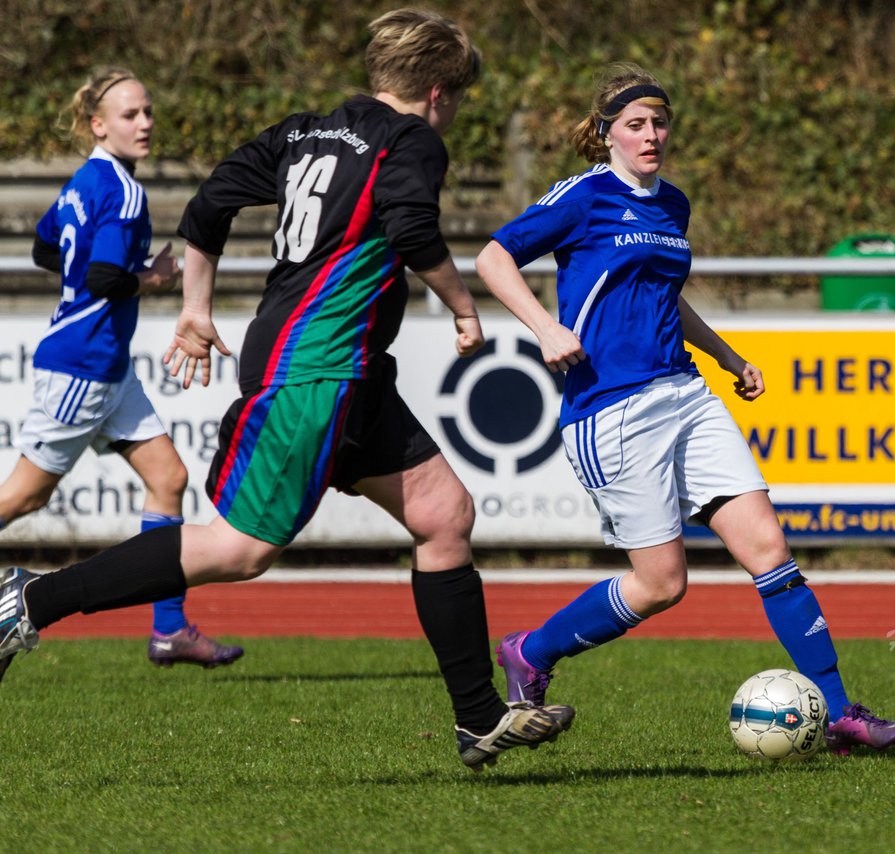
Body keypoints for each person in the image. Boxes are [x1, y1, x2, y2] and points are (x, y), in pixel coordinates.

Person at [0, 9, 573, 772]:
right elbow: (410, 228)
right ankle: (27, 602)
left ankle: (480, 720)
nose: (454, 111)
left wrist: (196, 309)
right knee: (238, 551)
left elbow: (207, 208)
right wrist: (464, 304)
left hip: (351, 372)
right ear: (438, 92)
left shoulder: (307, 130)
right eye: (457, 98)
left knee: (443, 514)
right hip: (313, 369)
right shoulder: (412, 140)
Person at [474, 63, 895, 753]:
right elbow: (494, 258)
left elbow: (664, 296)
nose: (652, 135)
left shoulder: (671, 203)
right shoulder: (584, 197)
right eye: (636, 124)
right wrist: (545, 328)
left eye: (659, 122)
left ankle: (839, 712)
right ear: (606, 132)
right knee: (661, 584)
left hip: (686, 394)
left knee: (768, 547)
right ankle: (530, 651)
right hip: (612, 409)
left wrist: (728, 358)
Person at [0, 68, 243, 668]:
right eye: (131, 115)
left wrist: (87, 277)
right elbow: (106, 277)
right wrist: (155, 278)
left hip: (106, 369)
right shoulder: (124, 191)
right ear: (98, 123)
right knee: (22, 499)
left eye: (149, 112)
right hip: (84, 365)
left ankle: (169, 630)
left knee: (169, 479)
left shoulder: (86, 180)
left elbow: (41, 247)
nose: (146, 123)